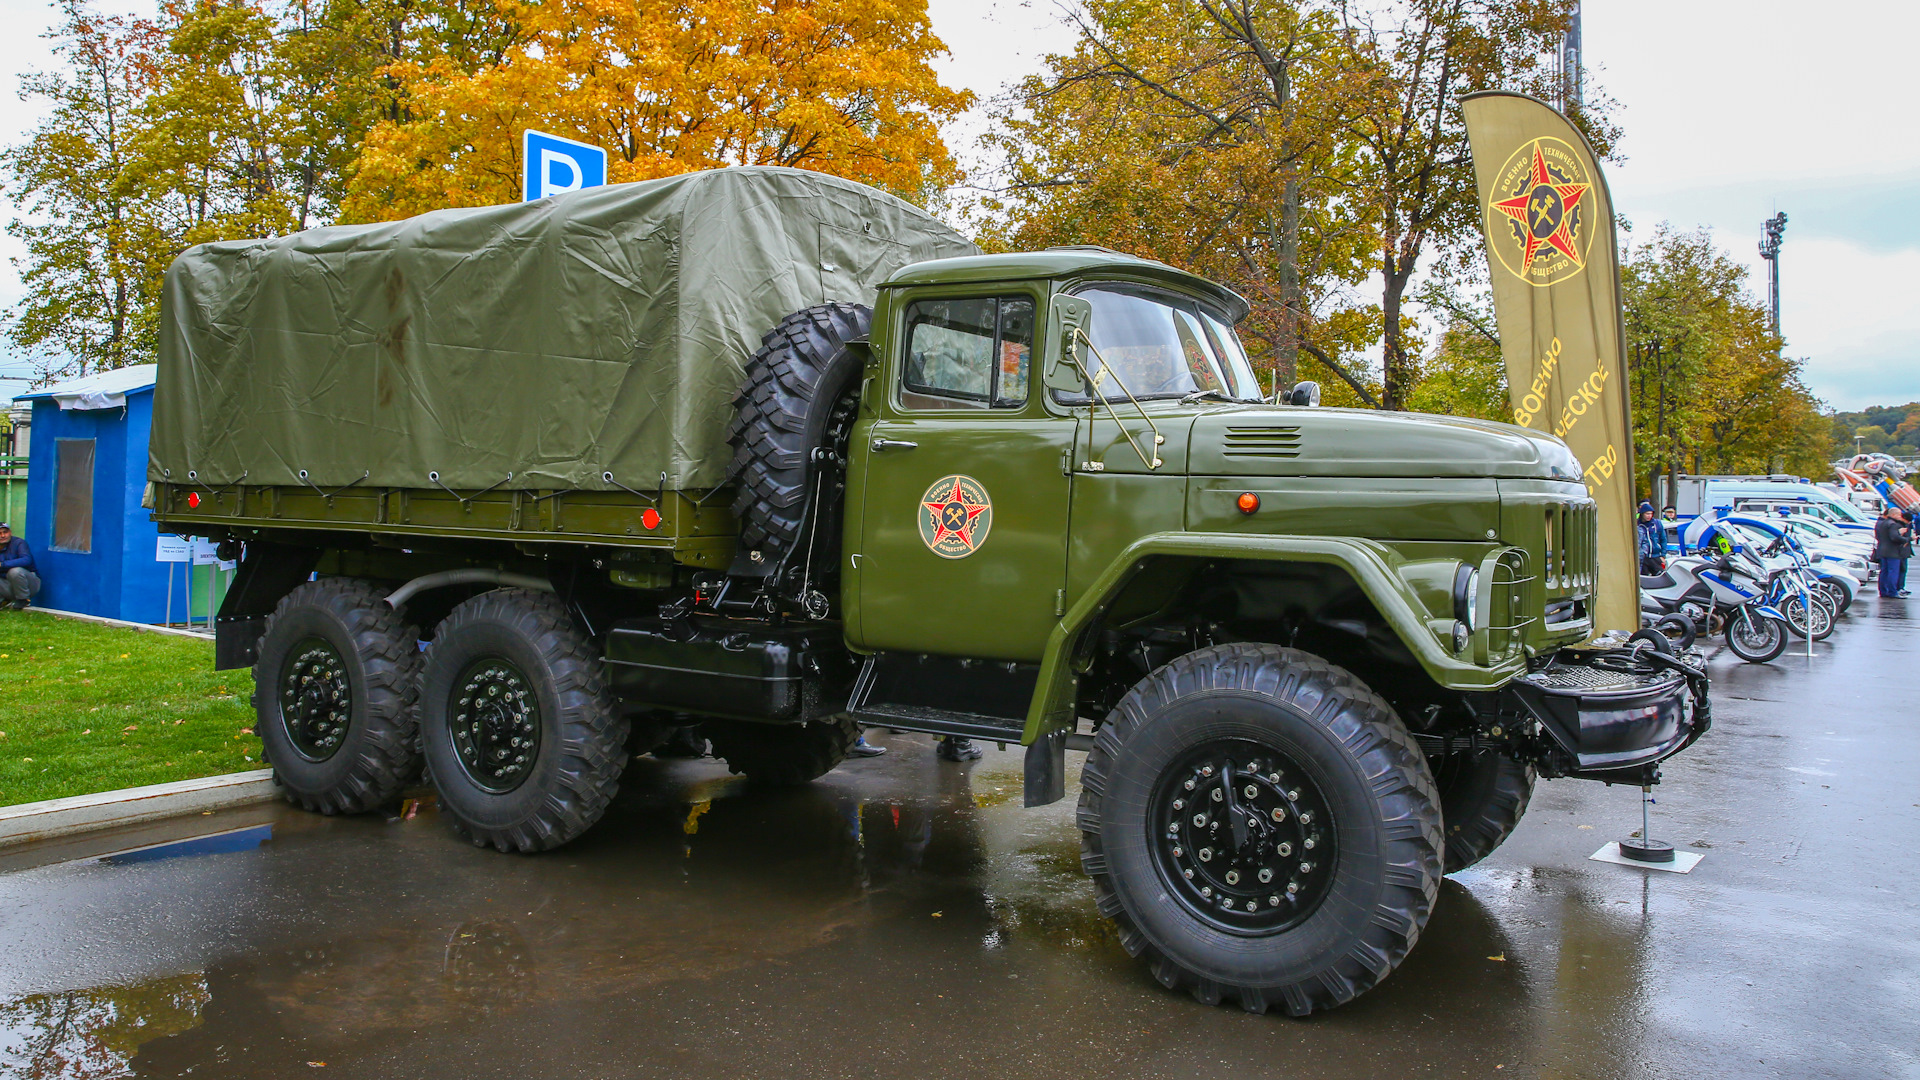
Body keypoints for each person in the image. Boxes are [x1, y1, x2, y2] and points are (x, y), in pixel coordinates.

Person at [1873, 505, 1912, 599]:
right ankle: (1892, 592)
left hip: (1882, 550)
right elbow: (1894, 537)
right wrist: (1907, 538)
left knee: (1884, 572)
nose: (1900, 517)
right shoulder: (1893, 524)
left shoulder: (1882, 523)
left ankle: (1883, 591)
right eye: (1899, 515)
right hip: (1893, 552)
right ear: (1894, 514)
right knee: (1893, 572)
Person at [0, 523, 38, 611]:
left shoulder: (19, 543)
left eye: (5, 532)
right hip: (7, 585)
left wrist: (2, 565)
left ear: (10, 533)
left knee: (14, 571)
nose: (2, 536)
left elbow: (26, 560)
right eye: (0, 533)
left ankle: (23, 599)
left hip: (29, 585)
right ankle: (4, 600)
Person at [1636, 501, 1665, 575]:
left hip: (1655, 556)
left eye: (1651, 514)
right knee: (1643, 578)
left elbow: (1663, 539)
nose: (1649, 516)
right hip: (1643, 557)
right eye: (1647, 514)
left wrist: (1663, 555)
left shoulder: (1657, 524)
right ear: (1642, 514)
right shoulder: (1637, 525)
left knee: (1660, 576)